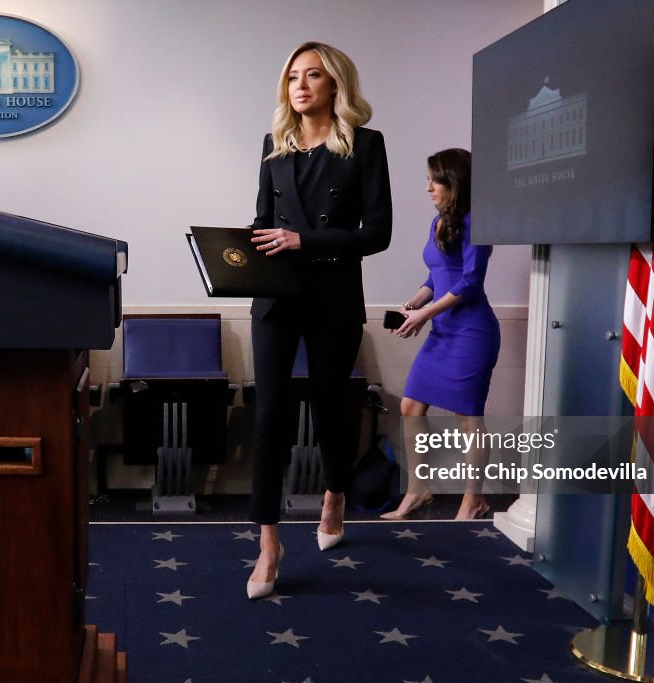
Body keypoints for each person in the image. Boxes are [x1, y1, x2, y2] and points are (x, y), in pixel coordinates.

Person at [246, 41, 392, 599]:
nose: (300, 86)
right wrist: (236, 256)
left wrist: (303, 239)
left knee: (333, 409)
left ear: (336, 84)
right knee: (269, 418)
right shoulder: (273, 147)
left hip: (332, 296)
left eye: (313, 76)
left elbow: (376, 233)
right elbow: (263, 223)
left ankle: (335, 493)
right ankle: (268, 544)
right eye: (292, 78)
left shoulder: (365, 145)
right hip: (276, 300)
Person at [382, 148, 499, 521]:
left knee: (468, 419)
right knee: (410, 406)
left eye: (436, 180)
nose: (428, 187)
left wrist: (425, 315)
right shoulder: (439, 221)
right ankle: (418, 489)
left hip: (472, 332)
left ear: (455, 183)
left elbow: (470, 282)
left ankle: (472, 500)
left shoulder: (477, 222)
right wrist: (414, 303)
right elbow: (437, 275)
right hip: (443, 330)